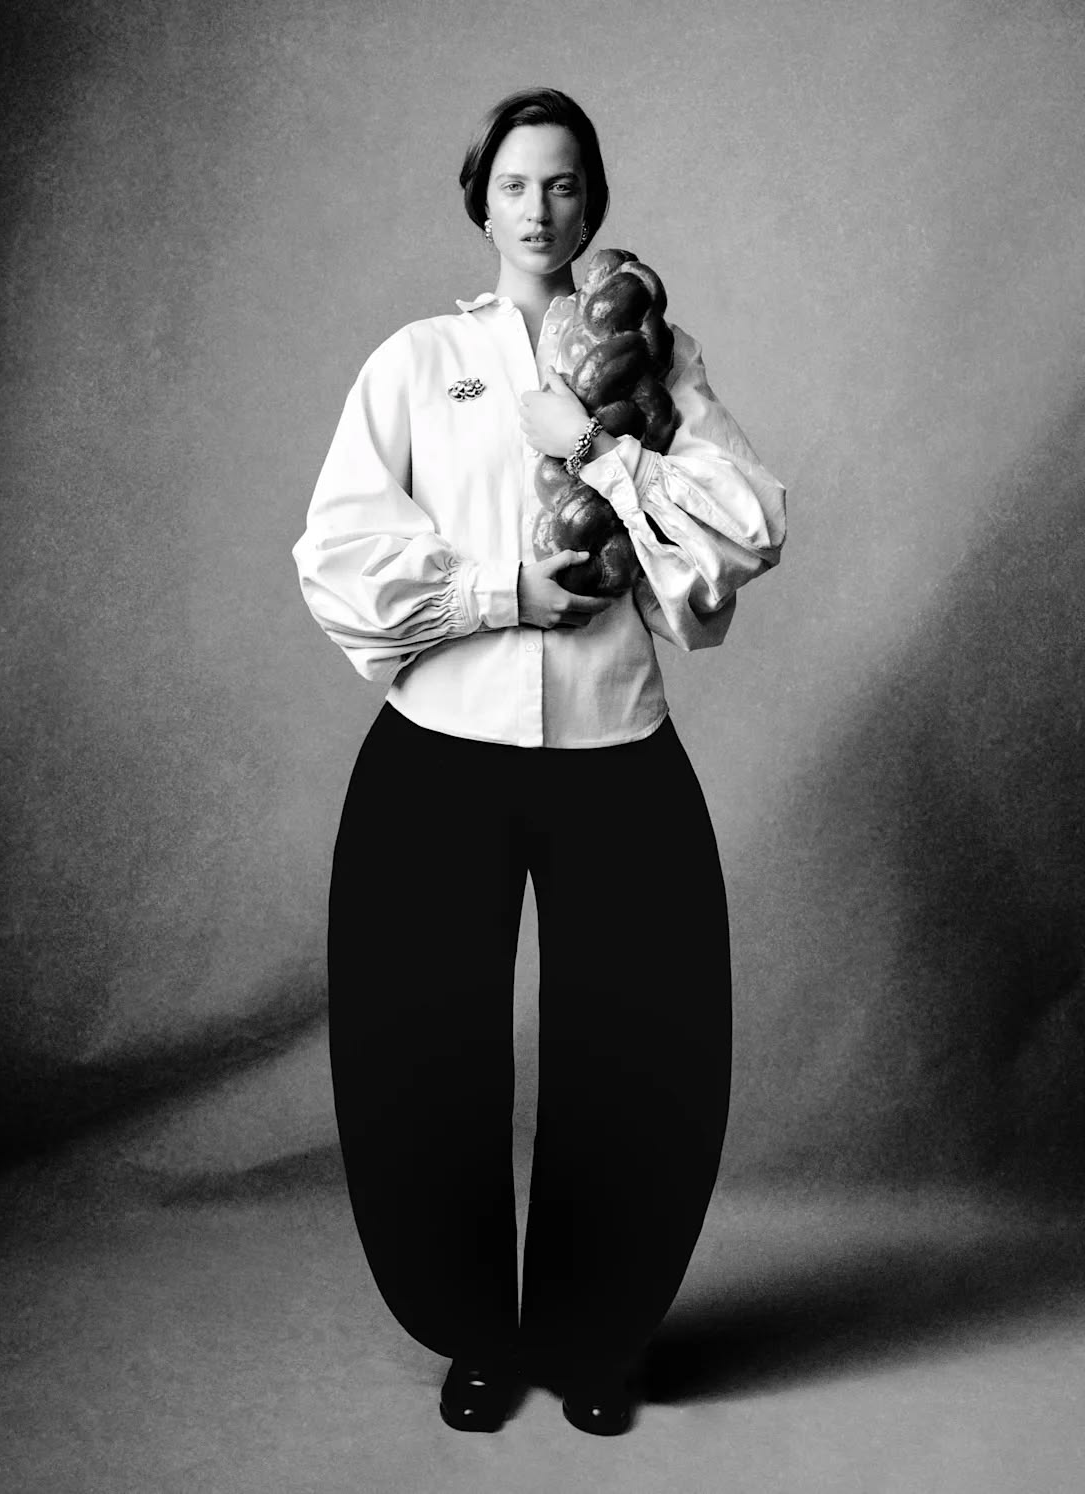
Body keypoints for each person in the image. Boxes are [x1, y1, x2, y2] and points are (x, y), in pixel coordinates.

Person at [292, 87, 786, 1437]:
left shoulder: (656, 359)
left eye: (564, 184)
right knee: (420, 1045)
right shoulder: (417, 362)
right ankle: (474, 1331)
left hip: (615, 748)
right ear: (482, 198)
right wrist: (502, 590)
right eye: (515, 183)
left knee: (641, 1044)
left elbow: (745, 528)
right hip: (437, 757)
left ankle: (597, 1338)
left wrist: (602, 450)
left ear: (592, 200)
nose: (539, 209)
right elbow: (339, 554)